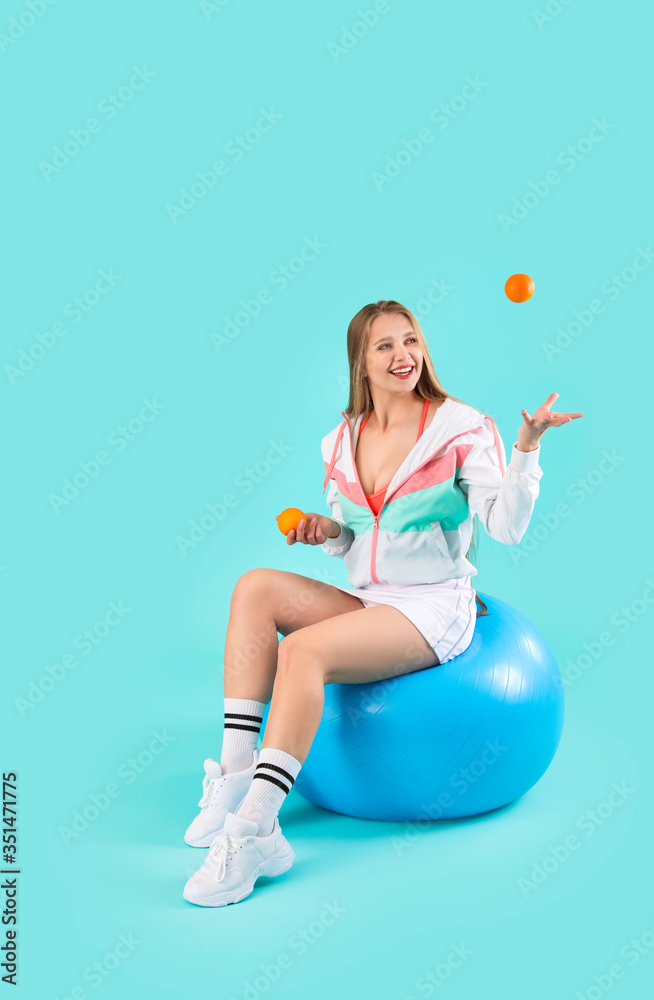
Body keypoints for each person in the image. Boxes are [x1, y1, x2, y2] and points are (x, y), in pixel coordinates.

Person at [182, 299, 584, 907]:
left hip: (431, 608)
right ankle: (236, 776)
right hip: (366, 598)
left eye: (410, 341)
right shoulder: (340, 438)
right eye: (384, 346)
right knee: (254, 587)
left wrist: (526, 447)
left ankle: (258, 829)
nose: (403, 356)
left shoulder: (461, 428)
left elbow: (505, 526)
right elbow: (356, 537)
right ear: (360, 363)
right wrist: (328, 531)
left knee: (305, 653)